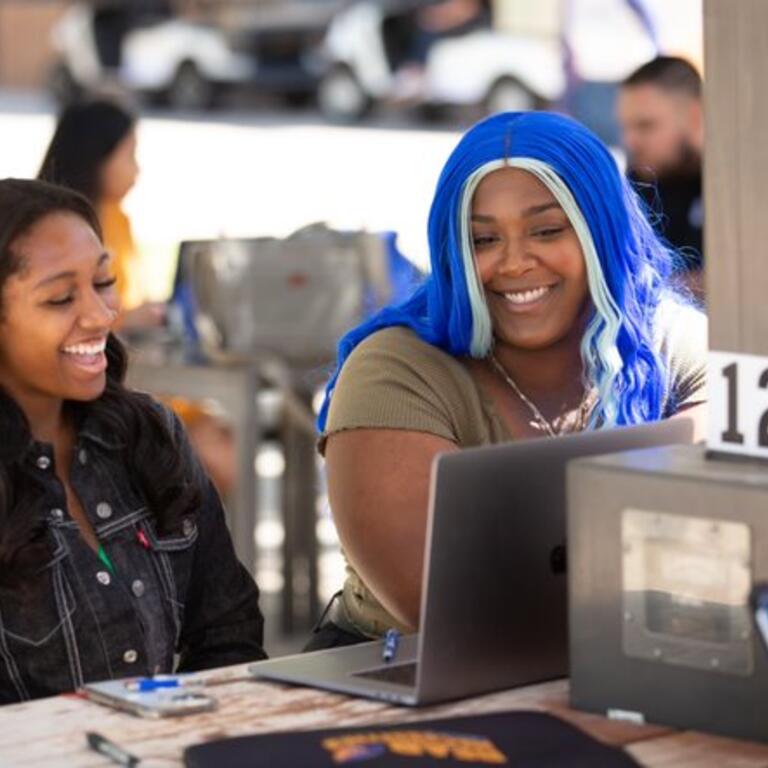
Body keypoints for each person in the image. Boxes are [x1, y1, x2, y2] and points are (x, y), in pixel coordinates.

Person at [310, 110, 708, 649]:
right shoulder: (394, 371)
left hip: (634, 665)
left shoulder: (668, 341)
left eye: (546, 230)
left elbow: (731, 529)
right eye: (482, 240)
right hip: (396, 679)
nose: (515, 263)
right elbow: (453, 609)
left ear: (604, 233)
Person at [0, 179, 266, 704]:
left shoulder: (152, 437)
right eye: (60, 297)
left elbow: (228, 632)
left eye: (103, 281)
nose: (102, 315)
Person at [38, 98, 166, 330]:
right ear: (96, 157)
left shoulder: (117, 218)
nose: (137, 169)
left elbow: (131, 296)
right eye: (130, 155)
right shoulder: (51, 231)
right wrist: (127, 320)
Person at [617, 56, 704, 296]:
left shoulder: (735, 181)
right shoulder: (640, 181)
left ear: (695, 117)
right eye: (626, 127)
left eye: (646, 126)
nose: (630, 141)